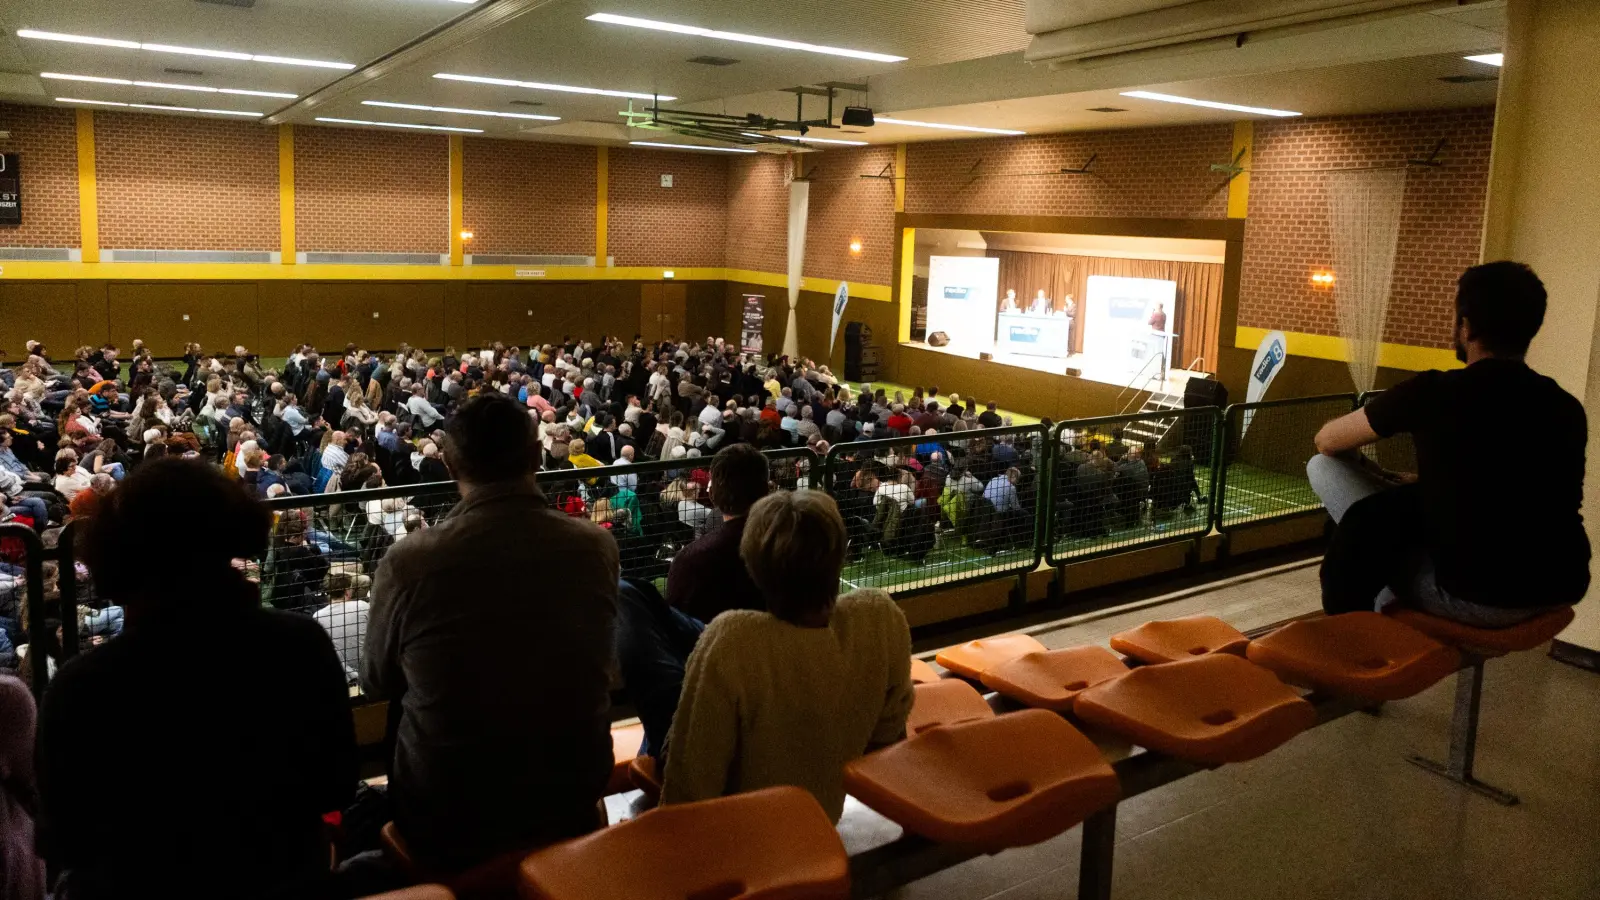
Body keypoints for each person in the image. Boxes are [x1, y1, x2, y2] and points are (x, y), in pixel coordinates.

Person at [35, 459, 356, 899]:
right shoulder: (300, 644)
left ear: (114, 557)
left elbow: (64, 842)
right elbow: (336, 783)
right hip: (283, 878)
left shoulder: (81, 687)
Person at [364, 393, 618, 874]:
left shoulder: (410, 561)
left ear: (450, 464)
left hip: (449, 807)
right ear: (536, 455)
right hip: (571, 788)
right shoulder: (596, 546)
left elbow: (378, 681)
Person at [1308, 262, 1588, 625]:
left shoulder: (1433, 392)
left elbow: (1327, 441)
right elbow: (1512, 486)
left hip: (1477, 597)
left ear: (1466, 326)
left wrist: (1371, 470)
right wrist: (1425, 483)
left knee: (1324, 468)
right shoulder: (1565, 406)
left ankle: (1369, 632)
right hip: (1561, 583)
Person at [661, 490, 912, 821]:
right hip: (822, 818)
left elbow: (690, 781)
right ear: (841, 554)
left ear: (754, 565)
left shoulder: (731, 641)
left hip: (742, 833)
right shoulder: (880, 618)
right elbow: (889, 731)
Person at [665, 444, 770, 623]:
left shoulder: (690, 561)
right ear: (767, 490)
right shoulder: (794, 544)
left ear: (712, 494)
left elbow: (677, 627)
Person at [312, 571, 369, 679]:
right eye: (351, 588)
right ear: (347, 592)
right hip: (365, 672)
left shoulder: (317, 616)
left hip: (338, 675)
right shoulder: (362, 606)